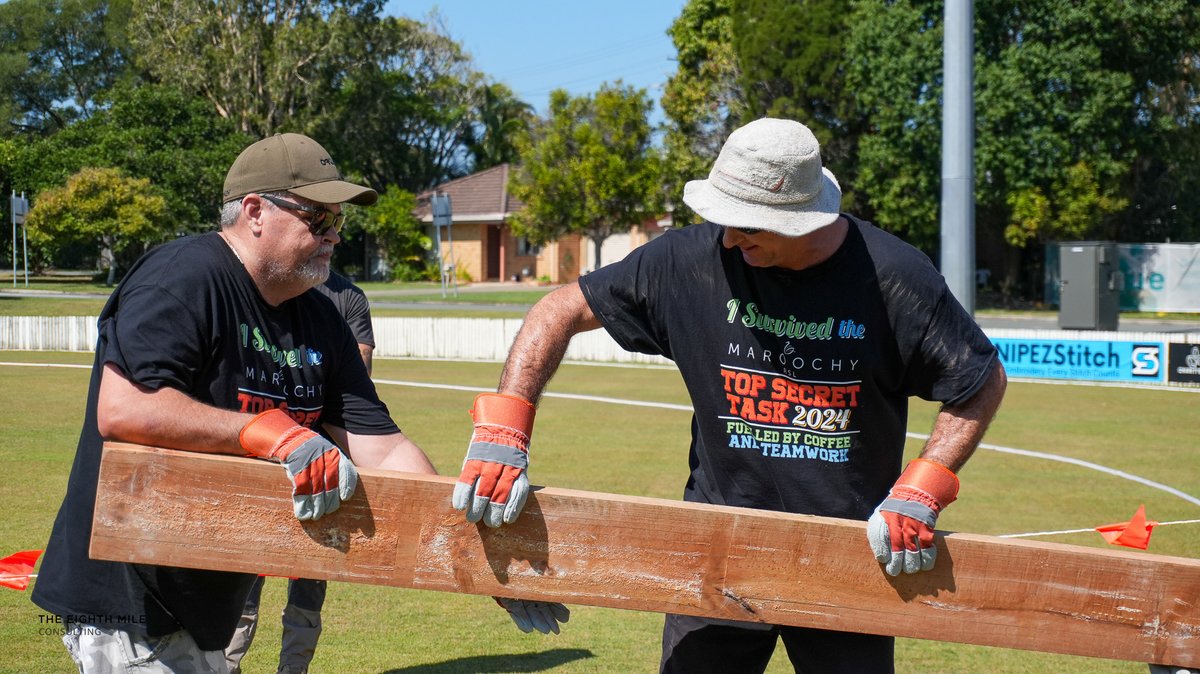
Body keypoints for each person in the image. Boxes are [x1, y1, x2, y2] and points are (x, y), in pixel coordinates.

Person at [452, 117, 1007, 673]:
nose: (730, 239)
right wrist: (505, 424)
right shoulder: (688, 261)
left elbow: (980, 381)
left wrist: (924, 484)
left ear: (803, 219)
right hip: (715, 544)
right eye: (723, 220)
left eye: (750, 226)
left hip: (848, 556)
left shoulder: (894, 277)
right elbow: (559, 309)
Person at [31, 132, 560, 674]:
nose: (333, 237)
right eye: (317, 219)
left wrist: (475, 556)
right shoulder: (184, 277)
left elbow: (386, 451)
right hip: (129, 588)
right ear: (256, 211)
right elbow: (124, 410)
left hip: (211, 585)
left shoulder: (322, 318)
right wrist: (265, 432)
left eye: (339, 223)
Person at [225, 270, 376, 674]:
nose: (329, 233)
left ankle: (294, 670)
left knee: (310, 582)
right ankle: (226, 667)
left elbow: (357, 378)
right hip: (262, 460)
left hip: (321, 462)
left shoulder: (349, 298)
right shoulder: (266, 284)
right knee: (243, 582)